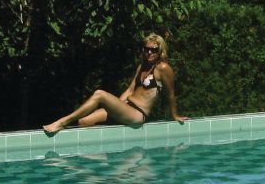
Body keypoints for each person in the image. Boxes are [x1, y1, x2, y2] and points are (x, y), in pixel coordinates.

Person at [43, 33, 189, 134]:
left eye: (154, 50)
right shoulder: (142, 66)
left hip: (138, 114)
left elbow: (170, 94)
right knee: (83, 122)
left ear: (160, 51)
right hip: (127, 107)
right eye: (147, 49)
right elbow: (130, 89)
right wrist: (116, 106)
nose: (149, 52)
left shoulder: (163, 68)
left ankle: (62, 122)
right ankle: (102, 154)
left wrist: (174, 115)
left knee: (99, 94)